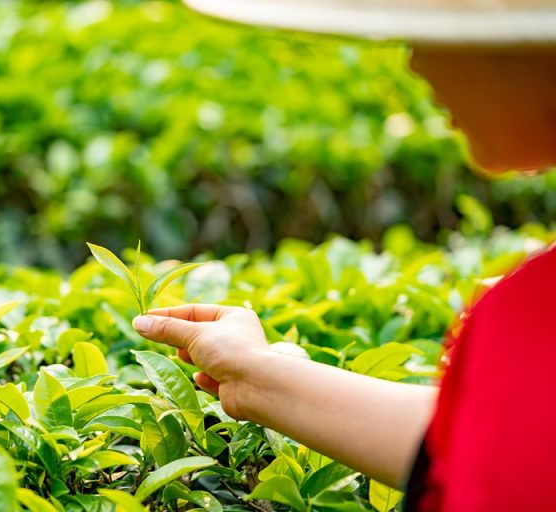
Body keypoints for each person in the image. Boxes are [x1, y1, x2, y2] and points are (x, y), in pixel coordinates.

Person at [131, 1, 556, 510]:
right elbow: (493, 448)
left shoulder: (534, 309)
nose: (416, 61)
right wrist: (254, 377)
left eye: (447, 31)